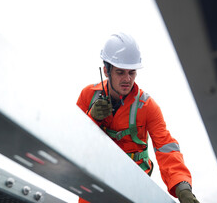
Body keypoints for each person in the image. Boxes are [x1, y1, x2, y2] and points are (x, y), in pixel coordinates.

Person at [76, 32, 199, 203]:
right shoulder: (88, 96)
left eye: (132, 72)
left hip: (133, 185)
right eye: (120, 72)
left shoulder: (147, 107)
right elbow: (73, 141)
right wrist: (92, 117)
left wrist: (182, 187)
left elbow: (166, 147)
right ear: (106, 70)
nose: (127, 79)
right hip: (97, 179)